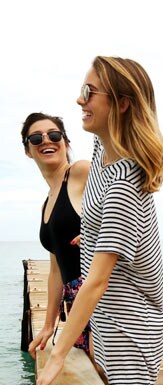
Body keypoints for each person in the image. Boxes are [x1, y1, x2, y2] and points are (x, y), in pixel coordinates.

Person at [34, 56, 163, 385]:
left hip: (131, 326)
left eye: (89, 92)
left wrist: (58, 354)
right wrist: (96, 231)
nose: (80, 99)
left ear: (122, 104)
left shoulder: (126, 181)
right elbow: (101, 210)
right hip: (106, 320)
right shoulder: (100, 150)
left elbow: (96, 280)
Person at [23, 113, 92, 357]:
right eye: (35, 138)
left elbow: (127, 198)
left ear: (66, 143)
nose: (46, 141)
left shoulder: (80, 172)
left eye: (54, 135)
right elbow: (56, 270)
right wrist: (49, 325)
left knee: (111, 383)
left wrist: (100, 232)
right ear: (28, 151)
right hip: (74, 307)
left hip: (100, 298)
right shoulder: (46, 203)